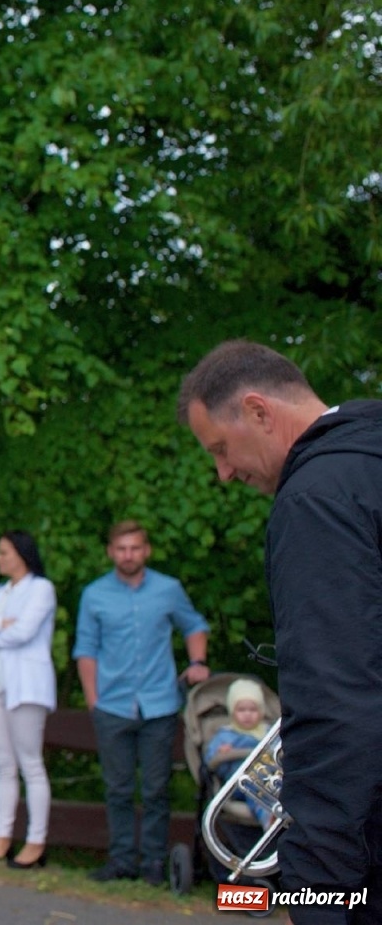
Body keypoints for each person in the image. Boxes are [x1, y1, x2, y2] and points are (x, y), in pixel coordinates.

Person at [180, 339, 382, 922]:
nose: (222, 473)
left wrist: (315, 886)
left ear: (260, 411)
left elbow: (338, 700)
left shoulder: (318, 499)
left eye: (220, 448)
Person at [73, 520, 210, 885]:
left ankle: (153, 864)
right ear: (110, 552)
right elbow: (85, 649)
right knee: (117, 788)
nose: (128, 555)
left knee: (156, 789)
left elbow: (194, 625)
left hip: (159, 704)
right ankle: (121, 861)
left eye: (135, 548)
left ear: (146, 550)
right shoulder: (94, 594)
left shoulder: (168, 589)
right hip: (112, 706)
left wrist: (197, 663)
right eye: (121, 548)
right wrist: (93, 701)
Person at [0, 530, 57, 869]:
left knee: (30, 763)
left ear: (20, 554)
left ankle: (36, 840)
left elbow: (25, 632)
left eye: (3, 552)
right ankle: (2, 837)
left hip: (27, 684)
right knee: (3, 764)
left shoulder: (41, 590)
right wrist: (0, 625)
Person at [203, 678, 274, 828]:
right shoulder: (225, 736)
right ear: (232, 711)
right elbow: (211, 762)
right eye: (241, 710)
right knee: (255, 787)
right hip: (240, 783)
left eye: (253, 710)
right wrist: (221, 753)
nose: (247, 715)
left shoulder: (269, 733)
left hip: (272, 779)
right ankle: (269, 819)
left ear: (261, 711)